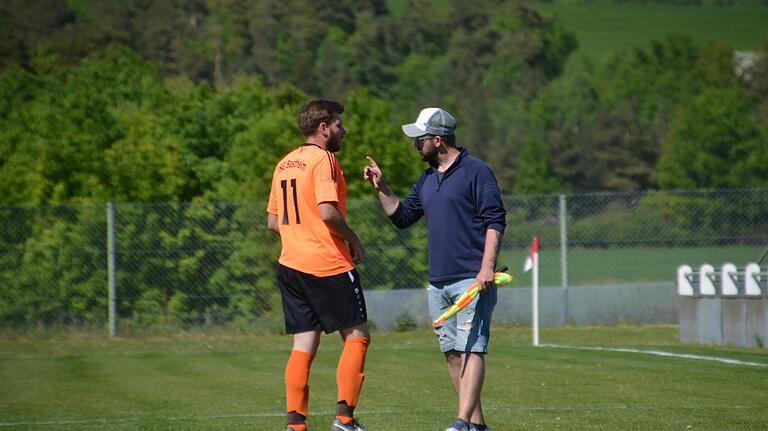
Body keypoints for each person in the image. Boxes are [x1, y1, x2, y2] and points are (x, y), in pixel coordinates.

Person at [363, 107, 506, 431]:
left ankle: (460, 421)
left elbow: (495, 220)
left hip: (472, 278)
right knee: (453, 354)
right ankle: (476, 425)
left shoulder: (477, 172)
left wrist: (487, 268)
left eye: (420, 139)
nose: (416, 145)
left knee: (472, 348)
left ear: (437, 140)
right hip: (438, 282)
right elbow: (402, 216)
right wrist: (382, 187)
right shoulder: (426, 179)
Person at [267, 100, 370, 431]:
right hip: (326, 262)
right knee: (357, 336)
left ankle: (295, 424)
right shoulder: (324, 158)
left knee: (303, 344)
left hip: (290, 263)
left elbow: (273, 221)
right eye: (339, 124)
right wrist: (354, 240)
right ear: (324, 128)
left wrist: (299, 235)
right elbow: (327, 212)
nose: (343, 130)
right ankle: (344, 418)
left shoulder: (284, 163)